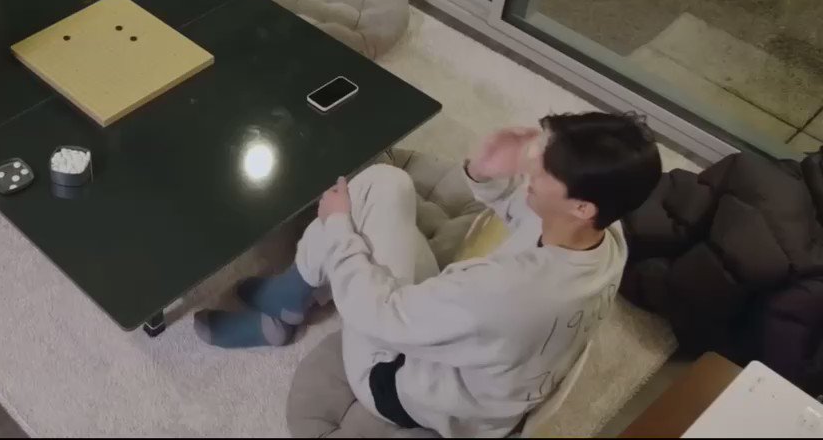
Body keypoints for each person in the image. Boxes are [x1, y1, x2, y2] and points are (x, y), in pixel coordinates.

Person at [195, 112, 663, 438]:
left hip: (396, 382)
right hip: (478, 374)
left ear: (582, 206)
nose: (529, 170)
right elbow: (526, 219)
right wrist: (485, 171)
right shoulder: (607, 240)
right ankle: (287, 298)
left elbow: (380, 315)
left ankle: (284, 304)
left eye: (542, 171)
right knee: (387, 183)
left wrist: (337, 228)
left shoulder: (504, 294)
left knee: (362, 197)